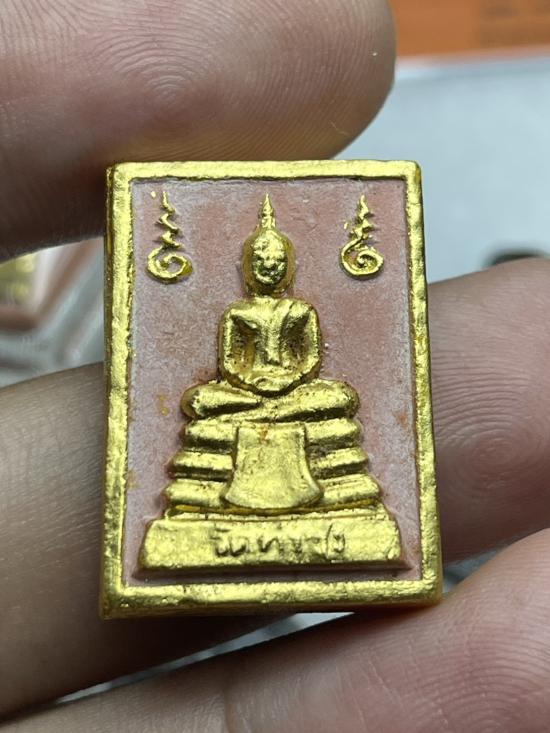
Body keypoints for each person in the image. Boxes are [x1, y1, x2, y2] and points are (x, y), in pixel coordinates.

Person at [1, 1, 550, 730]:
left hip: (294, 396)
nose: (264, 266)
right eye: (257, 260)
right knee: (204, 405)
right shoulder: (238, 314)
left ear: (285, 263)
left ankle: (333, 507)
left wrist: (283, 384)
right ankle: (204, 511)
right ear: (248, 266)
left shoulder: (298, 310)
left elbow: (308, 360)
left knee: (332, 399)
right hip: (242, 396)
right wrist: (248, 385)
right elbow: (230, 365)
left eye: (272, 259)